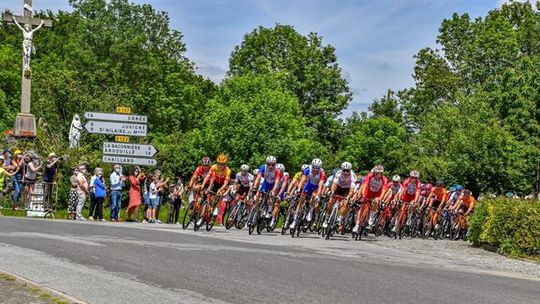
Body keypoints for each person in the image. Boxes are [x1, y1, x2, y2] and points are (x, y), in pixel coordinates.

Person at [290, 158, 326, 230]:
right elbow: (303, 180)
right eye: (314, 167)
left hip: (316, 186)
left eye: (317, 168)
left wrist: (318, 195)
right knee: (301, 201)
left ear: (320, 168)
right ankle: (294, 221)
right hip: (309, 185)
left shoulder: (322, 173)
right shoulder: (307, 169)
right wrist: (299, 189)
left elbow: (321, 184)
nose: (315, 169)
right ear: (311, 166)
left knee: (314, 196)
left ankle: (310, 211)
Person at [353, 165, 388, 233]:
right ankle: (357, 225)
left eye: (379, 173)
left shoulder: (384, 179)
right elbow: (365, 185)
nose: (378, 175)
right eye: (376, 173)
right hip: (368, 192)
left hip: (377, 193)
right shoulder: (370, 176)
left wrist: (380, 199)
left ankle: (370, 221)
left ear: (382, 173)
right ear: (374, 172)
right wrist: (363, 195)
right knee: (362, 206)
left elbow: (383, 190)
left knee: (375, 202)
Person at [323, 162, 355, 229]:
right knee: (331, 201)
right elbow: (334, 184)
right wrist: (332, 192)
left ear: (350, 170)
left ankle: (339, 219)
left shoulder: (353, 175)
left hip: (347, 189)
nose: (346, 172)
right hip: (339, 187)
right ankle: (326, 218)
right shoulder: (338, 173)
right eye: (344, 170)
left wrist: (348, 197)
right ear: (342, 169)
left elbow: (352, 189)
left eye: (347, 171)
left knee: (346, 203)